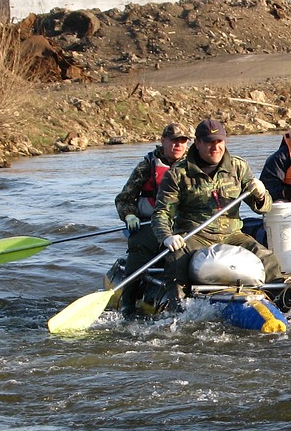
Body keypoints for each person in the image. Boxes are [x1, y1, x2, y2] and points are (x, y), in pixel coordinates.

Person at [153, 118, 280, 309]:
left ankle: (279, 303)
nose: (215, 147)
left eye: (219, 142)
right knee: (175, 258)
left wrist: (261, 194)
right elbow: (161, 213)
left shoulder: (238, 167)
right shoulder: (177, 174)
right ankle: (177, 309)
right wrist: (167, 237)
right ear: (198, 143)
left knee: (268, 258)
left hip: (232, 235)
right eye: (209, 142)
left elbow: (263, 208)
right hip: (195, 236)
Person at [113, 121, 190, 314]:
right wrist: (129, 215)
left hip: (185, 225)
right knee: (140, 248)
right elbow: (124, 199)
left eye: (182, 141)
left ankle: (182, 300)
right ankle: (128, 303)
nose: (178, 145)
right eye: (173, 141)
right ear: (163, 141)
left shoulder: (195, 165)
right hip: (150, 224)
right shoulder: (146, 166)